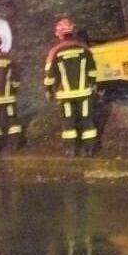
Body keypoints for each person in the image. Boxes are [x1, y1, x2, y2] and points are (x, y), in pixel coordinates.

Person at [43, 17, 98, 156]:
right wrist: (93, 83)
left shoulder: (55, 51)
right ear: (72, 31)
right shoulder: (84, 49)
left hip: (65, 94)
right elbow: (92, 70)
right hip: (84, 92)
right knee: (87, 119)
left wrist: (48, 90)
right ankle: (90, 149)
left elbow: (50, 74)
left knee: (69, 121)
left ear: (59, 34)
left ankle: (71, 150)